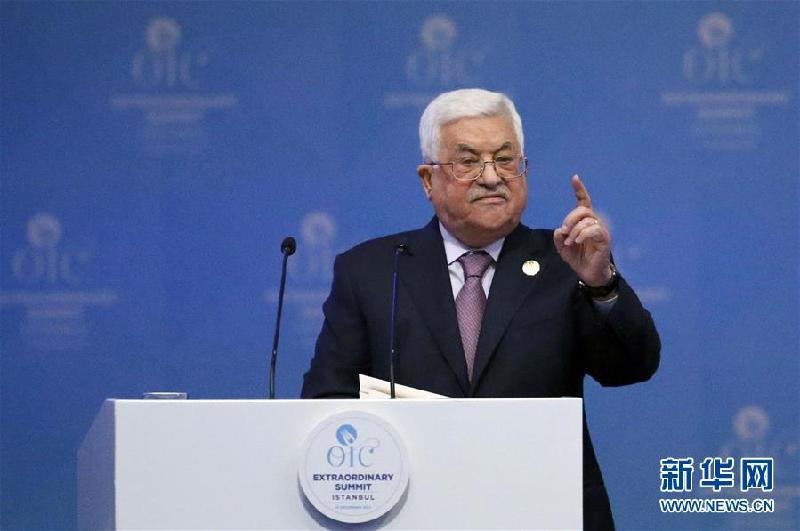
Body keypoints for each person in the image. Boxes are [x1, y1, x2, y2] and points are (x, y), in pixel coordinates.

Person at [301, 88, 660, 530]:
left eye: (506, 160)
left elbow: (631, 367)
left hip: (545, 508)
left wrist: (601, 284)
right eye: (468, 162)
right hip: (410, 513)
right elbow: (327, 403)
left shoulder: (566, 261)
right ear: (428, 180)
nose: (492, 177)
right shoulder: (372, 270)